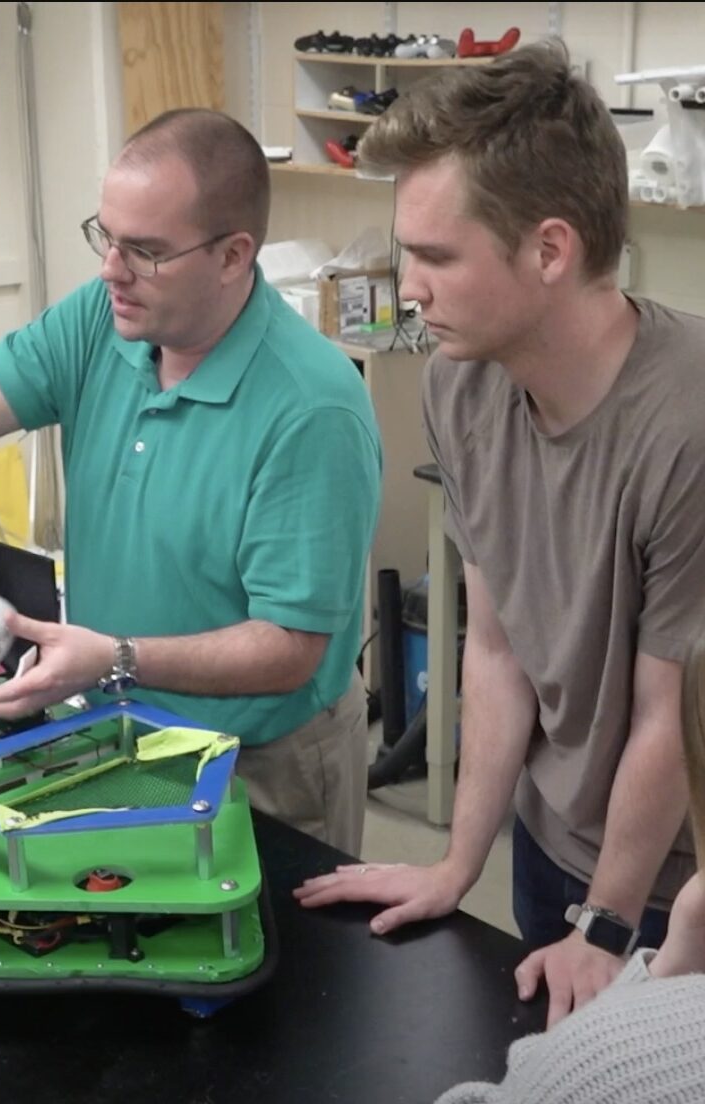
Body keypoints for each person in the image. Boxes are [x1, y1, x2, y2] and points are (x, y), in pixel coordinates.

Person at [294, 39, 705, 1025]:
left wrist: (607, 928)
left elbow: (668, 717)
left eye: (436, 258)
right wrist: (453, 865)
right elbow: (501, 648)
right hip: (547, 844)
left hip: (672, 890)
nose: (411, 288)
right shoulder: (459, 384)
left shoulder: (688, 424)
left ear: (551, 250)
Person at [0, 108, 382, 854]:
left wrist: (115, 658)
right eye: (106, 237)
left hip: (262, 765)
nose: (110, 271)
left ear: (233, 256)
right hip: (118, 724)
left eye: (147, 251)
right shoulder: (104, 318)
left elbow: (290, 647)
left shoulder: (310, 409)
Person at [433, 636, 705, 1103]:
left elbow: (534, 1087)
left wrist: (625, 987)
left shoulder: (604, 1064)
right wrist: (666, 973)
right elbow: (495, 645)